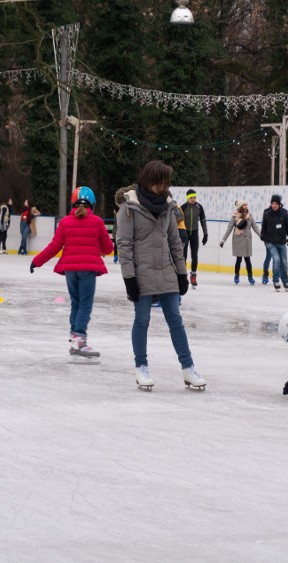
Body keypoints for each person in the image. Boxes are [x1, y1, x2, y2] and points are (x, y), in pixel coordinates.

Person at [116, 160, 206, 391]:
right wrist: (129, 278)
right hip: (141, 272)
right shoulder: (129, 208)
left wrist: (181, 273)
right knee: (142, 321)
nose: (164, 187)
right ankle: (141, 367)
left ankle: (188, 368)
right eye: (160, 183)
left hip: (166, 271)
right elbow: (124, 245)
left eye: (166, 183)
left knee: (176, 321)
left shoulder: (168, 206)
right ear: (149, 181)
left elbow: (175, 242)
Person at [31, 187, 113, 362]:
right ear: (93, 204)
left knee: (76, 304)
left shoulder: (65, 222)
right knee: (84, 304)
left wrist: (36, 261)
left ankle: (75, 336)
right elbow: (108, 248)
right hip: (87, 269)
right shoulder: (98, 222)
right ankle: (79, 340)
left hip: (70, 270)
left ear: (73, 202)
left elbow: (54, 247)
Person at [219, 199, 261, 285]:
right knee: (238, 259)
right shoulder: (235, 216)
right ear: (240, 207)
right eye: (244, 205)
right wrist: (223, 240)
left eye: (246, 205)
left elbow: (255, 227)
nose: (246, 206)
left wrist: (261, 235)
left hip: (247, 239)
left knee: (247, 259)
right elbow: (229, 228)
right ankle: (236, 275)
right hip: (238, 239)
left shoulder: (250, 215)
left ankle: (250, 276)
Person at [260, 193, 288, 291]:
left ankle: (286, 282)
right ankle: (276, 280)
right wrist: (263, 236)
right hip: (270, 242)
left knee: (284, 262)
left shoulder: (284, 213)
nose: (274, 205)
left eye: (276, 203)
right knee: (276, 259)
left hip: (281, 242)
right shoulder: (267, 213)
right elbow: (264, 227)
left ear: (279, 204)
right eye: (272, 203)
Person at [180, 188, 208, 288]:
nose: (193, 199)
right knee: (183, 256)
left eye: (194, 197)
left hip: (195, 234)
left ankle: (193, 275)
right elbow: (178, 221)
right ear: (187, 198)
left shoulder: (199, 207)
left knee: (194, 255)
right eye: (191, 197)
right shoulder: (183, 207)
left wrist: (205, 234)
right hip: (184, 234)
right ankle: (183, 275)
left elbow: (203, 220)